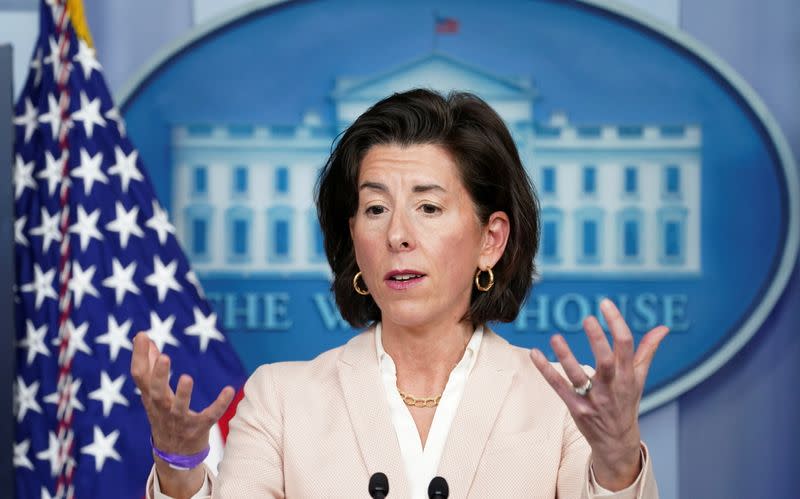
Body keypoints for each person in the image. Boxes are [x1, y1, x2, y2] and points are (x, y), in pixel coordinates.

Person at [131, 89, 667, 498]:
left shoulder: (564, 404)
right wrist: (179, 466)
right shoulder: (281, 400)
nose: (398, 234)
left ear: (491, 239)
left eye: (429, 207)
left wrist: (618, 462)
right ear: (352, 239)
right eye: (375, 208)